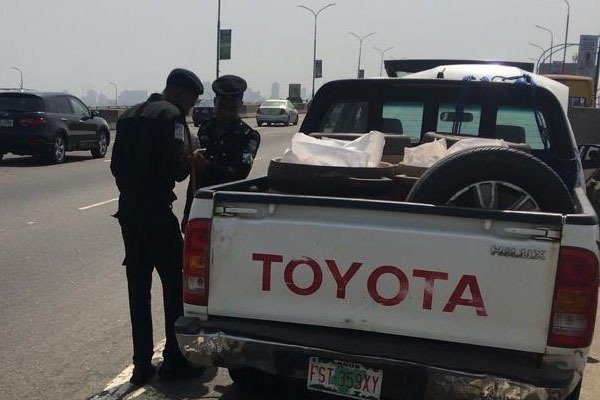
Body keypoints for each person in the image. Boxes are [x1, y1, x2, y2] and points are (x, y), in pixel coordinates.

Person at [110, 68, 204, 386]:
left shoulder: (128, 115)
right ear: (178, 92)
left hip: (128, 209)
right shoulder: (172, 117)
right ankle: (176, 360)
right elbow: (173, 170)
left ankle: (141, 364)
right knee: (174, 286)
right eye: (191, 102)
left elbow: (115, 166)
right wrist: (190, 158)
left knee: (138, 289)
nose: (190, 109)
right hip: (155, 211)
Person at [182, 75, 261, 229]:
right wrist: (188, 212)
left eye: (232, 108)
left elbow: (238, 175)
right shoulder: (205, 129)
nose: (226, 113)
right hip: (201, 205)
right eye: (222, 107)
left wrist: (206, 166)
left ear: (240, 106)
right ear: (214, 103)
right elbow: (194, 177)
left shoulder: (249, 137)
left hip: (229, 209)